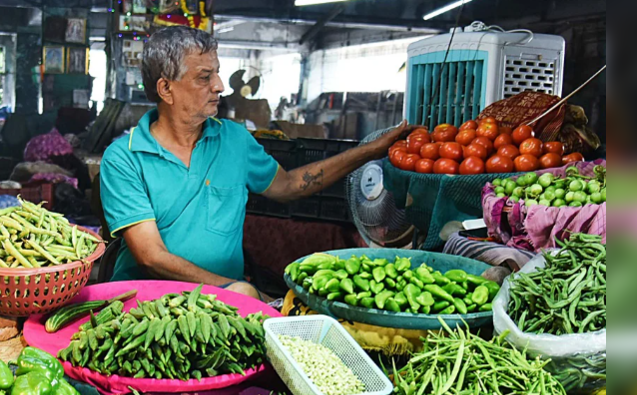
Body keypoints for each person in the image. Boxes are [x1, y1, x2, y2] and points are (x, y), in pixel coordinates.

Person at [100, 26, 420, 297]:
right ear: (165, 89)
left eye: (218, 73)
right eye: (204, 77)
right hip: (143, 303)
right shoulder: (124, 158)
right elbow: (150, 257)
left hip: (221, 305)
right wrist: (230, 288)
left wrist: (369, 151)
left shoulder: (236, 140)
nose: (220, 86)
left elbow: (290, 185)